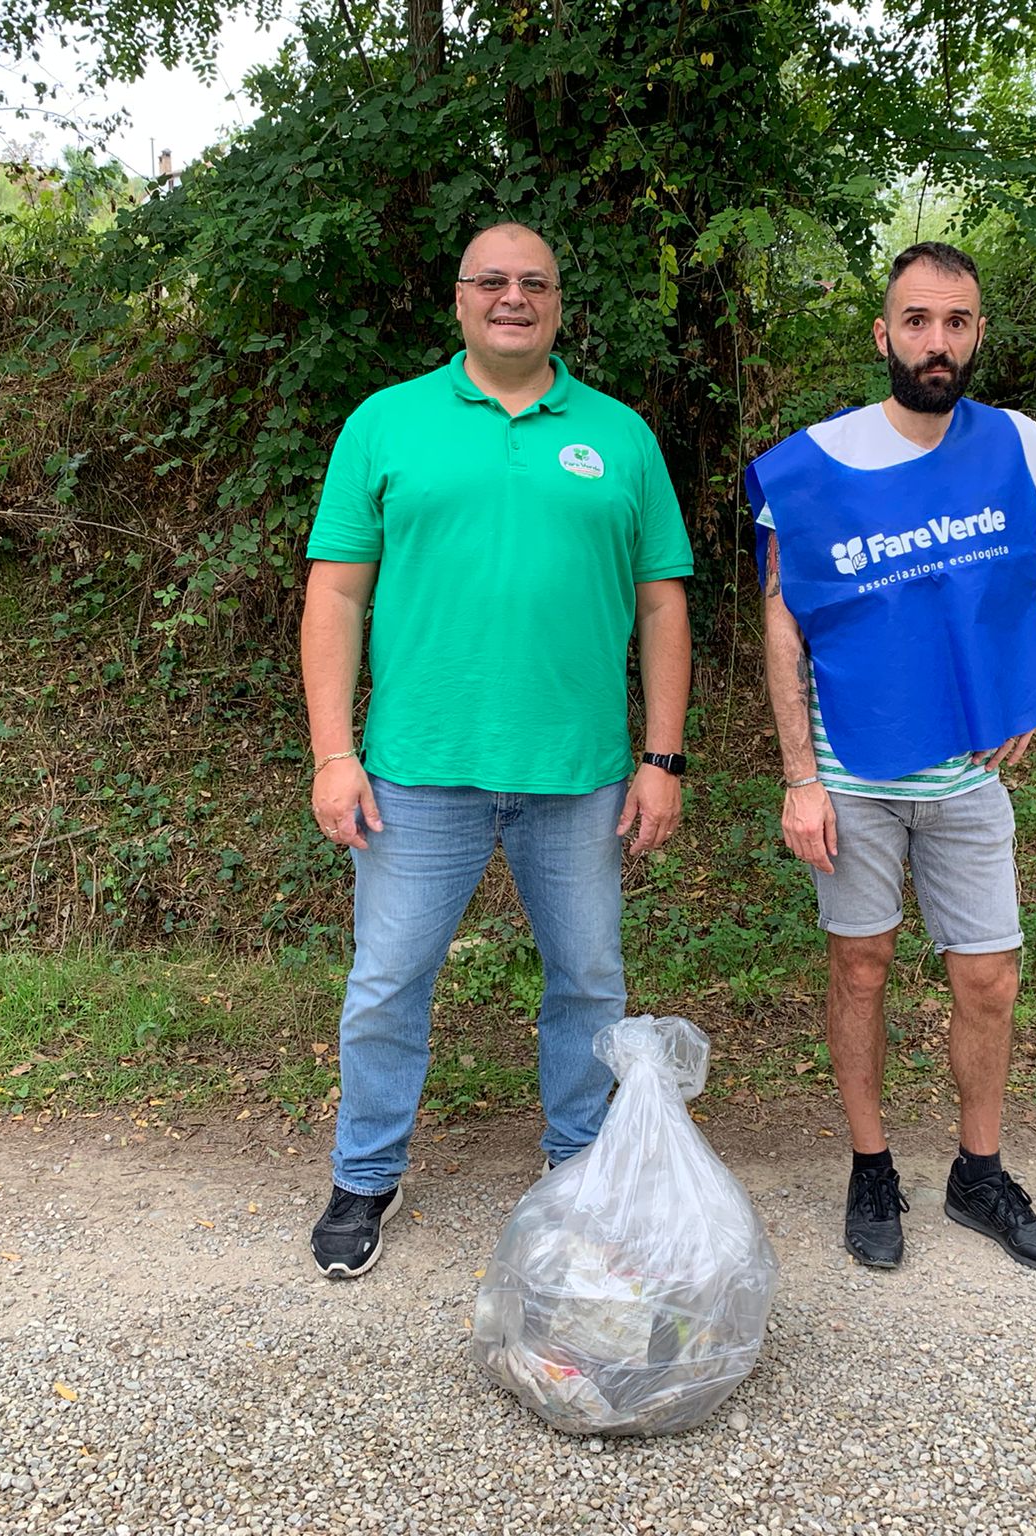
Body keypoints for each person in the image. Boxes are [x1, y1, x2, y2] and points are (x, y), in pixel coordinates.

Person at [300, 221, 694, 1280]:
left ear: (559, 303)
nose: (512, 297)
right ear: (459, 298)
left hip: (579, 774)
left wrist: (662, 760)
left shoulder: (619, 436)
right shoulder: (386, 423)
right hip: (416, 769)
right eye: (491, 281)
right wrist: (332, 752)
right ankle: (365, 1173)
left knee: (588, 983)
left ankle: (579, 1167)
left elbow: (662, 607)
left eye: (534, 283)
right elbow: (335, 592)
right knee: (387, 981)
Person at [751, 240, 1036, 1272]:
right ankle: (871, 1166)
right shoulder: (811, 466)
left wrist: (1029, 680)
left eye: (955, 322)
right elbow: (781, 625)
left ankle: (977, 1173)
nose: (936, 341)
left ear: (978, 333)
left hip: (966, 777)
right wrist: (797, 779)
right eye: (916, 320)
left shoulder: (1016, 447)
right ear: (883, 334)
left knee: (986, 981)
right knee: (858, 967)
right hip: (850, 773)